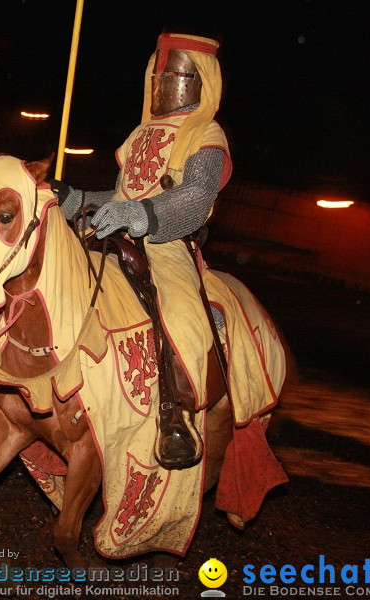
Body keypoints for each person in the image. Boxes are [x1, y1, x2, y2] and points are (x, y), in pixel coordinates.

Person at [50, 33, 232, 469]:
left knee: (182, 316)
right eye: (158, 74)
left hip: (168, 244)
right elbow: (118, 194)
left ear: (198, 80)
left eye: (172, 75)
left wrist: (142, 215)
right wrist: (72, 199)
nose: (161, 83)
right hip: (116, 236)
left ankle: (175, 419)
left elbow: (195, 199)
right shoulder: (140, 135)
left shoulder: (205, 134)